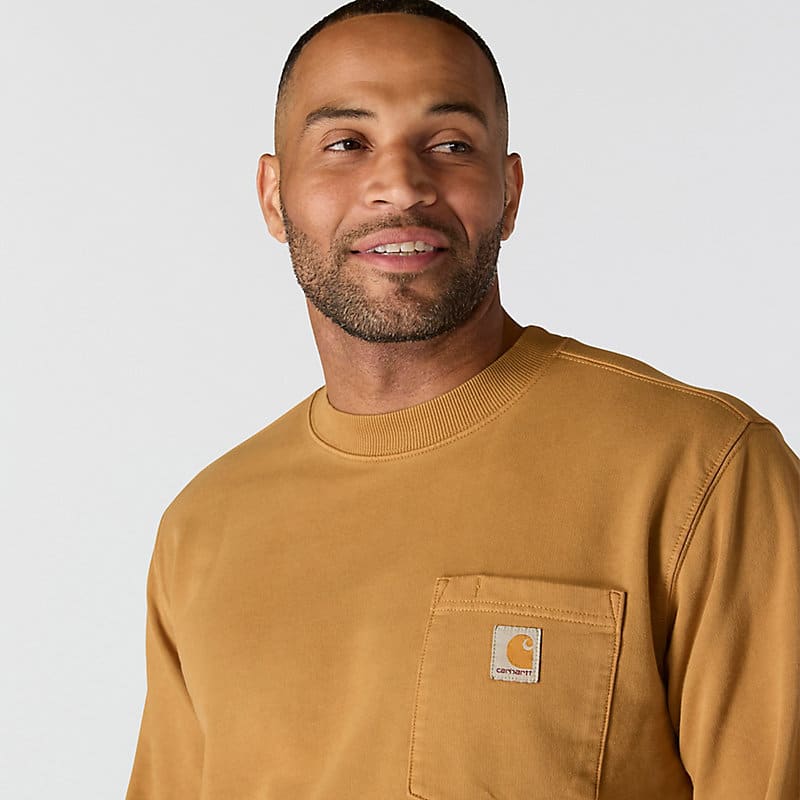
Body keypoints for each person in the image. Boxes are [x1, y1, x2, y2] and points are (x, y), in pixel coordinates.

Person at [126, 1, 800, 798]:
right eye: (346, 143)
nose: (399, 186)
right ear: (274, 196)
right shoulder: (203, 529)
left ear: (508, 192)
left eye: (449, 145)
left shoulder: (703, 472)